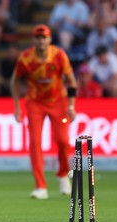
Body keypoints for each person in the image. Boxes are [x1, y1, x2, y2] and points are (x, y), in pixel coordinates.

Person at [10, 24, 77, 199]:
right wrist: (17, 107)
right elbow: (15, 82)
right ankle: (40, 186)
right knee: (35, 142)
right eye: (38, 38)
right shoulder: (25, 58)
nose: (41, 41)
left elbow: (71, 81)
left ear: (49, 39)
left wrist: (71, 106)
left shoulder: (59, 55)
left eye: (44, 37)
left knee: (63, 140)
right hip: (35, 103)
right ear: (34, 40)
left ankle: (63, 175)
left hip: (58, 102)